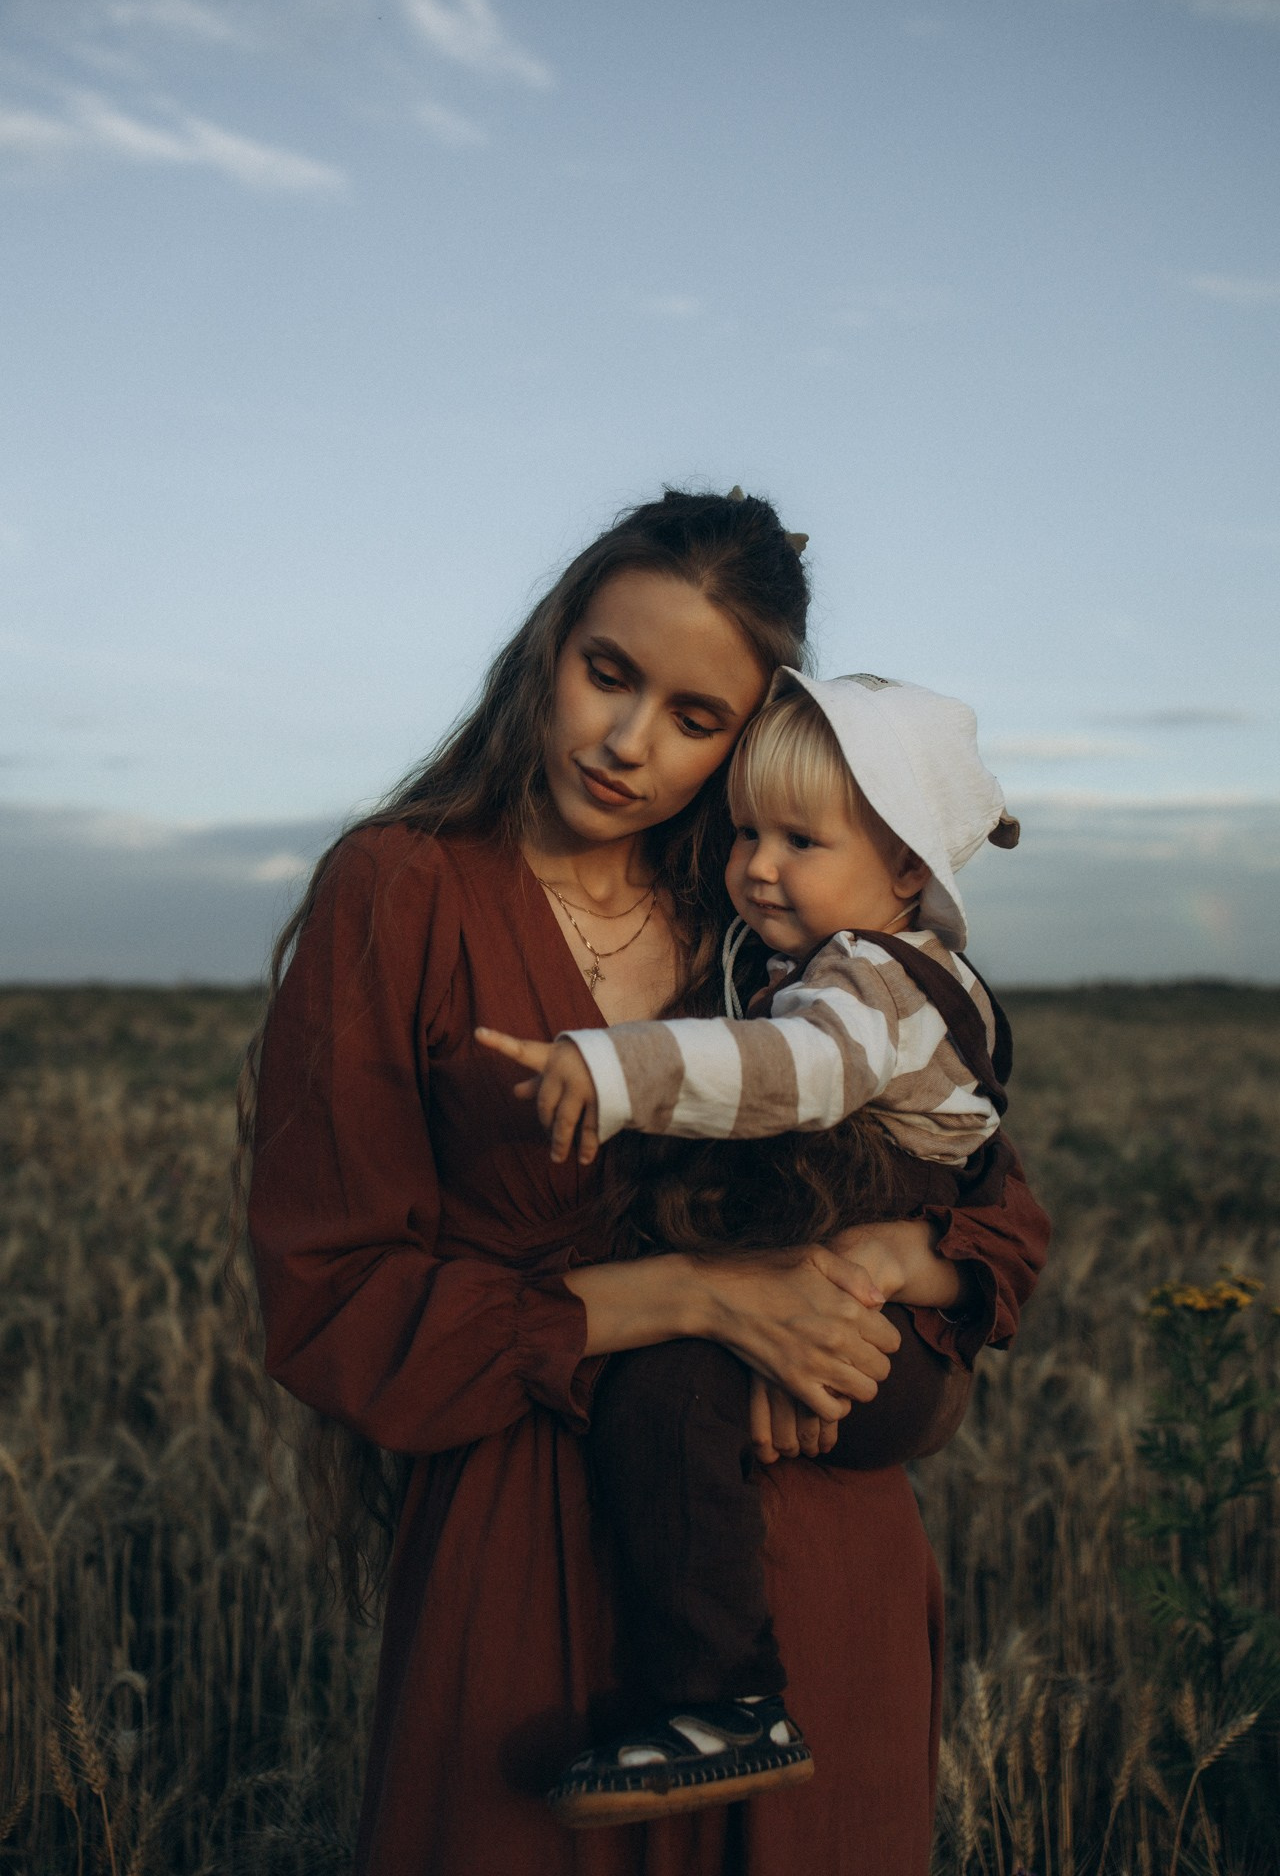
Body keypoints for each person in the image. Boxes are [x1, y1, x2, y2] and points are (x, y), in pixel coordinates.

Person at [244, 487, 1050, 1876]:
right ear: (548, 647)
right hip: (530, 1570)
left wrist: (886, 1285)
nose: (625, 743)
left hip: (818, 1557)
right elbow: (332, 1302)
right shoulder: (402, 892)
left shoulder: (780, 921)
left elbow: (994, 1208)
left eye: (695, 719)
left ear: (759, 741)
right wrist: (695, 1295)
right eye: (607, 674)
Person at [476, 669, 1023, 1824]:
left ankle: (724, 1702)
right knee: (676, 1395)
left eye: (799, 840)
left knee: (662, 1398)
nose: (758, 865)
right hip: (839, 1308)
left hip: (882, 1340)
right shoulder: (806, 965)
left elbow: (793, 1074)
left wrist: (615, 1067)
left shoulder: (873, 980)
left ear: (908, 871)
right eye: (744, 832)